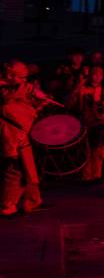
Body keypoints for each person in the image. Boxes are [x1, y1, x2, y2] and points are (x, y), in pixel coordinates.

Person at [1, 60, 48, 216]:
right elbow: (8, 100)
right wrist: (31, 90)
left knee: (29, 168)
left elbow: (23, 106)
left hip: (22, 133)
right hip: (9, 135)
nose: (24, 80)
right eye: (21, 77)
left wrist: (40, 102)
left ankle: (33, 201)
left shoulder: (17, 87)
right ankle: (8, 205)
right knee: (15, 170)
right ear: (9, 74)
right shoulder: (5, 88)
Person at [69, 65, 104, 183]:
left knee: (98, 151)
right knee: (86, 150)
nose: (97, 77)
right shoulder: (82, 89)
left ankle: (96, 175)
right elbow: (71, 104)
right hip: (84, 123)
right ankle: (86, 176)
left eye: (100, 74)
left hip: (100, 124)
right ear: (90, 75)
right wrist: (77, 88)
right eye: (95, 74)